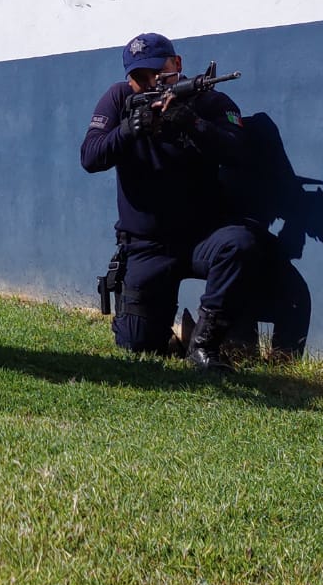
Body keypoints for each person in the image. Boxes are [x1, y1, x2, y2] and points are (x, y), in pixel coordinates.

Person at [81, 32, 259, 372]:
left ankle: (204, 344)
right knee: (137, 345)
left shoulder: (209, 101)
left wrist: (190, 123)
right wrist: (128, 130)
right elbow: (90, 156)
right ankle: (164, 329)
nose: (151, 83)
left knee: (239, 244)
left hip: (202, 238)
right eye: (140, 77)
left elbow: (239, 151)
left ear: (177, 65)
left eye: (159, 74)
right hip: (146, 245)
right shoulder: (119, 98)